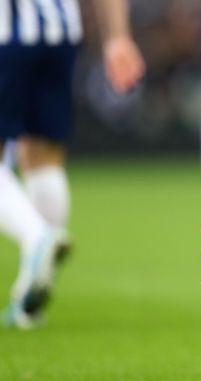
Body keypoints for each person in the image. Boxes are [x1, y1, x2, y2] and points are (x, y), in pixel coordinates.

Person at [0, 0, 145, 329]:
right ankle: (29, 297)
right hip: (59, 32)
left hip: (6, 30)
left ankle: (37, 239)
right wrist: (118, 36)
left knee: (34, 157)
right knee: (43, 157)